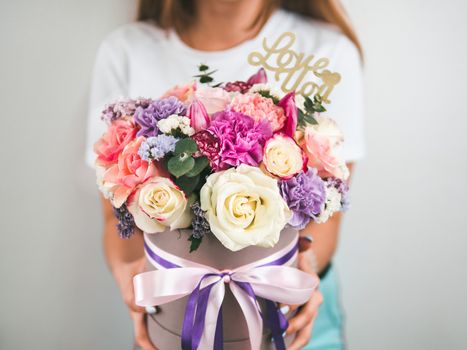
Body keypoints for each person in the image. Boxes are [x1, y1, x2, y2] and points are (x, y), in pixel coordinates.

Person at [85, 0, 365, 349]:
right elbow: (115, 215)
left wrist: (299, 269)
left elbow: (328, 215)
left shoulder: (327, 51)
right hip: (177, 317)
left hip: (293, 316)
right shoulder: (127, 49)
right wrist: (130, 274)